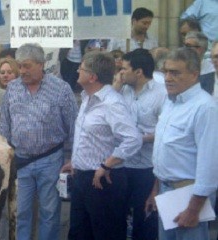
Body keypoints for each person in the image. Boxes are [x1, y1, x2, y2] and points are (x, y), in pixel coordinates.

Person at [0, 43, 78, 240]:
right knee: (21, 212)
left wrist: (73, 159)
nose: (22, 71)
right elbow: (4, 126)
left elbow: (74, 127)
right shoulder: (13, 89)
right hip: (21, 161)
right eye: (20, 66)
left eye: (27, 66)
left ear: (41, 64)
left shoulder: (61, 89)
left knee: (50, 213)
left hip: (50, 161)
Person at [63, 51, 142, 240]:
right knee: (79, 233)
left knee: (106, 234)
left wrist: (108, 164)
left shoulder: (112, 103)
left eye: (81, 68)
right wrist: (75, 161)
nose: (76, 70)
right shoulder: (87, 98)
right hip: (82, 178)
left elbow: (133, 139)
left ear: (92, 76)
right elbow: (87, 137)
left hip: (104, 181)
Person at [145, 47, 218, 240]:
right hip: (166, 192)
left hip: (189, 196)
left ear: (194, 74)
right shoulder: (171, 102)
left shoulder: (205, 108)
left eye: (175, 72)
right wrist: (156, 190)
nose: (168, 78)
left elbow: (209, 165)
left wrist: (194, 210)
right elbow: (166, 152)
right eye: (166, 71)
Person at [117, 48, 166, 240]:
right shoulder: (121, 90)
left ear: (138, 72)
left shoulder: (161, 94)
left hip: (148, 166)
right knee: (119, 215)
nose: (121, 73)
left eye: (125, 69)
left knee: (145, 218)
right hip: (123, 163)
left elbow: (164, 131)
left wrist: (140, 139)